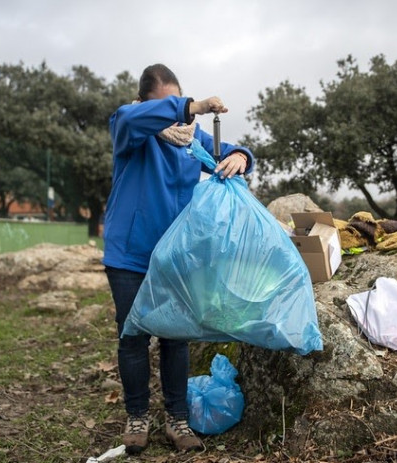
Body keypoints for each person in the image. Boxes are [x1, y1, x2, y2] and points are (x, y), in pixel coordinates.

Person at [103, 63, 254, 455]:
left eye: (178, 101)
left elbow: (225, 152)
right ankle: (137, 415)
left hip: (175, 255)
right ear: (145, 103)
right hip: (130, 255)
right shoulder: (129, 125)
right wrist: (190, 104)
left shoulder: (190, 138)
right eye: (165, 104)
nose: (176, 113)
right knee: (132, 335)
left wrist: (241, 157)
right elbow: (139, 117)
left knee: (175, 336)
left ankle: (177, 419)